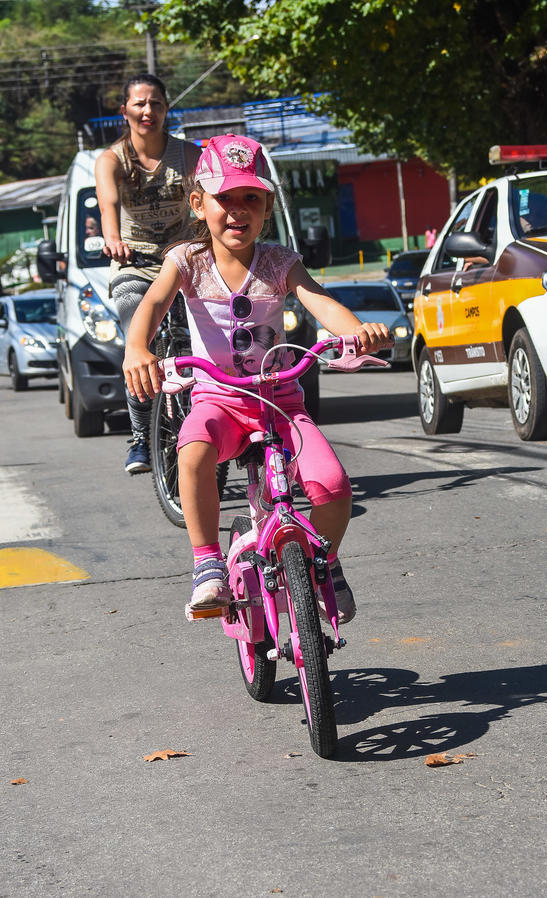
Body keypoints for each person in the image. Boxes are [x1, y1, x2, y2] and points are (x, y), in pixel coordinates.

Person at [122, 133, 393, 622]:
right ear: (198, 204)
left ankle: (326, 562)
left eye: (251, 198)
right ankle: (207, 562)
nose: (238, 210)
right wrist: (136, 347)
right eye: (225, 198)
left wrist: (358, 331)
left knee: (334, 488)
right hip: (218, 401)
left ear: (267, 207)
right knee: (192, 449)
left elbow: (319, 300)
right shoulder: (186, 261)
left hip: (280, 405)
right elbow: (155, 302)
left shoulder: (280, 262)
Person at [95, 72, 202, 475]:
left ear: (166, 109)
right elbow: (108, 207)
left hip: (184, 262)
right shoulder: (111, 160)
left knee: (207, 339)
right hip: (135, 265)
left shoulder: (188, 154)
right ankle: (141, 436)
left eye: (156, 103)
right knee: (138, 340)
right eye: (139, 104)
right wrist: (113, 240)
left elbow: (205, 204)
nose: (148, 111)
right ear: (124, 110)